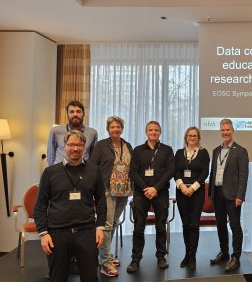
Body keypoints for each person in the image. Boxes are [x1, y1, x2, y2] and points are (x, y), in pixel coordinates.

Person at [34, 130, 106, 282]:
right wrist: (43, 233)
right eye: (71, 144)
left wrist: (100, 227)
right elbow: (40, 205)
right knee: (58, 277)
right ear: (64, 146)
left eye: (79, 144)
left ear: (84, 147)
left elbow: (101, 201)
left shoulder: (94, 171)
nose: (75, 148)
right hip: (57, 233)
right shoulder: (50, 172)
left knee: (90, 277)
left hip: (86, 232)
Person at [127, 121, 175, 273]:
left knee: (160, 226)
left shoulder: (167, 150)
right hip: (141, 194)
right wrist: (146, 188)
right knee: (138, 227)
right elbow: (133, 172)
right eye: (150, 130)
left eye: (156, 130)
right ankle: (135, 259)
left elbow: (170, 171)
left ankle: (161, 257)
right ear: (146, 132)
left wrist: (155, 188)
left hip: (160, 193)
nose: (153, 132)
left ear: (160, 132)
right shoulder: (138, 150)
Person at [89, 116, 133, 277]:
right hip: (106, 190)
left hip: (124, 190)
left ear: (122, 128)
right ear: (108, 129)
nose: (116, 129)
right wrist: (94, 190)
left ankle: (106, 255)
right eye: (113, 127)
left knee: (114, 223)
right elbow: (92, 168)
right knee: (106, 224)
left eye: (118, 127)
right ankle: (104, 262)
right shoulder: (101, 145)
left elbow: (132, 167)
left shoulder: (127, 145)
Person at [209, 119, 249, 272]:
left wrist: (240, 195)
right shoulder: (216, 151)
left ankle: (235, 257)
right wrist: (211, 193)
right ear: (220, 131)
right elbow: (213, 173)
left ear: (233, 131)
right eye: (223, 130)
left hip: (233, 195)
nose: (225, 132)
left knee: (235, 225)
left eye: (228, 130)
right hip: (217, 193)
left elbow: (243, 176)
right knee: (220, 225)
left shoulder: (240, 151)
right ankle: (224, 252)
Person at [174, 127, 210, 270]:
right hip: (181, 192)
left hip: (197, 192)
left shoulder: (203, 153)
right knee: (185, 223)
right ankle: (187, 254)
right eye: (190, 135)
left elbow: (205, 172)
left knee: (194, 224)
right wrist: (182, 186)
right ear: (186, 137)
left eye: (195, 136)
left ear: (198, 137)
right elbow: (175, 171)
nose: (192, 138)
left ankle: (193, 256)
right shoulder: (179, 153)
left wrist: (193, 187)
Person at [47, 100, 98, 165]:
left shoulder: (92, 133)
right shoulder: (55, 131)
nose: (75, 114)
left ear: (83, 114)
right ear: (67, 114)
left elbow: (93, 157)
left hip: (83, 171)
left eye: (78, 111)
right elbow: (50, 155)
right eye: (71, 112)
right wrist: (53, 171)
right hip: (60, 171)